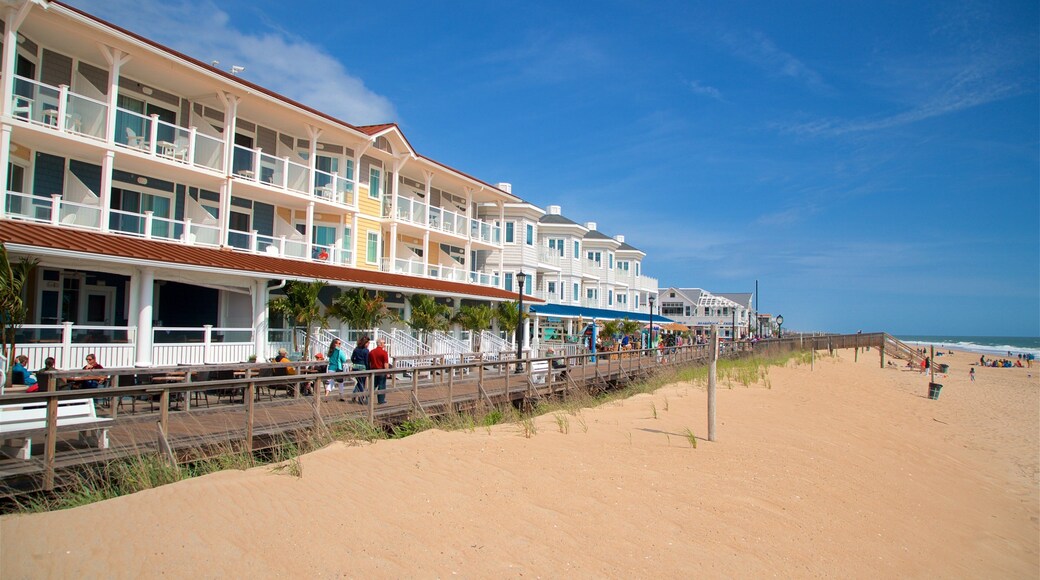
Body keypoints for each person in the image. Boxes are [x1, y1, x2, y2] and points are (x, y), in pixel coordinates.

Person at [368, 338, 390, 405]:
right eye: (384, 343)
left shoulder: (371, 352)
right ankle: (381, 400)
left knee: (373, 385)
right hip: (381, 371)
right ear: (381, 344)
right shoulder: (384, 353)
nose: (384, 344)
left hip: (373, 370)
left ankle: (367, 399)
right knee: (381, 385)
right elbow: (385, 364)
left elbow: (369, 362)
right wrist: (387, 372)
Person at [350, 336, 371, 404]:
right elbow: (367, 361)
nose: (369, 344)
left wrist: (355, 363)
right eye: (368, 343)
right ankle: (361, 398)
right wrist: (368, 368)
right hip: (363, 367)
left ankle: (354, 395)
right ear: (365, 343)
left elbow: (352, 358)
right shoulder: (366, 350)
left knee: (359, 381)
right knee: (362, 383)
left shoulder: (356, 349)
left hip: (356, 367)